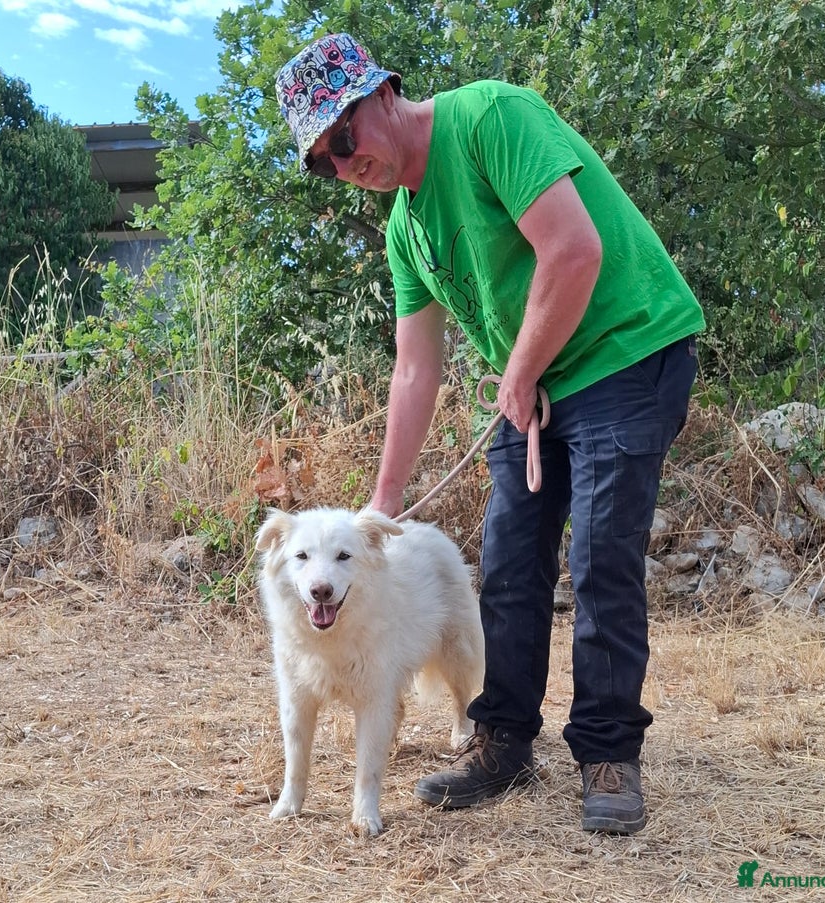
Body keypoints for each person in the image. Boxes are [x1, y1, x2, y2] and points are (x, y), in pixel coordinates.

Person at [275, 33, 705, 834]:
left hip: (628, 348)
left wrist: (518, 371)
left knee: (600, 556)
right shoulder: (406, 229)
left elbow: (575, 251)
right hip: (537, 380)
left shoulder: (490, 117)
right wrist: (382, 508)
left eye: (343, 136)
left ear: (383, 95)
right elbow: (415, 370)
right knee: (507, 560)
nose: (343, 163)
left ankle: (608, 751)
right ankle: (500, 737)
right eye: (323, 160)